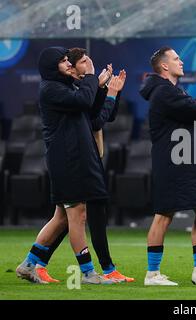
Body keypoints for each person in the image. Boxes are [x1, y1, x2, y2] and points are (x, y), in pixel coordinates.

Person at [15, 47, 124, 284]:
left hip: (73, 158)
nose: (68, 64)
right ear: (51, 66)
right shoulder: (51, 88)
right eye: (63, 61)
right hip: (67, 159)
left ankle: (28, 264)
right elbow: (83, 99)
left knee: (62, 218)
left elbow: (92, 114)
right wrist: (93, 76)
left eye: (67, 60)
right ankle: (88, 273)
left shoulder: (66, 86)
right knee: (78, 216)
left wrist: (102, 87)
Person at [139, 46, 196, 286]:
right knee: (164, 215)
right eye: (176, 58)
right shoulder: (164, 92)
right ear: (164, 66)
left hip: (188, 159)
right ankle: (152, 274)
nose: (181, 61)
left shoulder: (172, 90)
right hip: (172, 161)